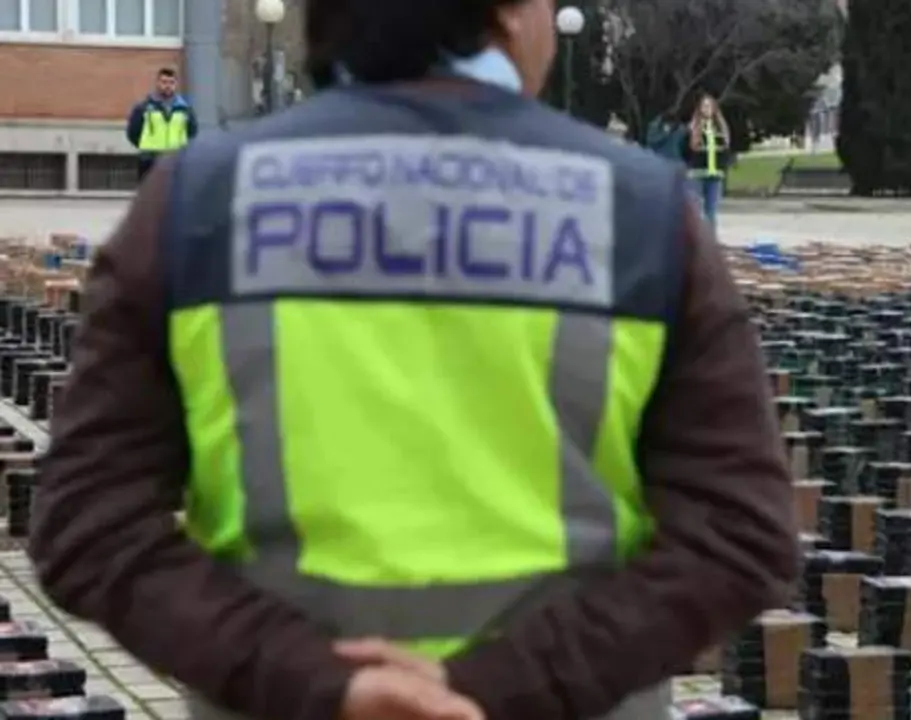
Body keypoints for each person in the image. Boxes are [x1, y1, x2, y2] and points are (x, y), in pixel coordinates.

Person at [29, 2, 799, 720]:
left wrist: (319, 679)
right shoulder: (636, 208)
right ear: (505, 13)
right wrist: (497, 689)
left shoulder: (198, 200)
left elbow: (89, 527)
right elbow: (740, 533)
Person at [125, 67, 198, 181]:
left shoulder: (185, 110)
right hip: (150, 160)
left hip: (176, 160)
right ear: (157, 83)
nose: (168, 85)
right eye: (164, 82)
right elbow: (133, 133)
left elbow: (192, 133)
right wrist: (147, 149)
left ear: (176, 84)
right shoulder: (143, 108)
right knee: (149, 197)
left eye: (171, 82)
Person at [687, 94, 730, 229]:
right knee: (696, 210)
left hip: (715, 174)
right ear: (699, 109)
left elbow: (725, 150)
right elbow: (685, 148)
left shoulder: (720, 127)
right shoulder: (693, 127)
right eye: (704, 106)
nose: (707, 109)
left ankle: (710, 241)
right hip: (698, 173)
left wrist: (722, 167)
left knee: (711, 211)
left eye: (710, 106)